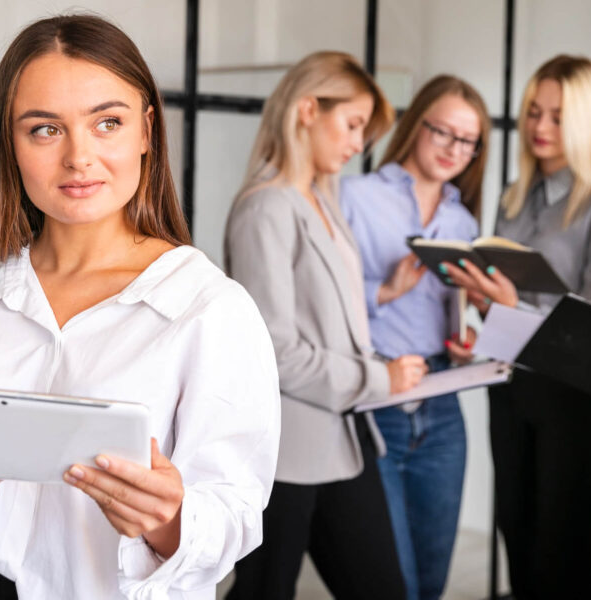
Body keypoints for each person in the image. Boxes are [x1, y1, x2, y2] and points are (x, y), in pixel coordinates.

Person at [0, 15, 281, 600]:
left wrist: (167, 518)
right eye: (44, 129)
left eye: (106, 123)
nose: (78, 157)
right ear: (8, 143)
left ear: (145, 131)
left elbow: (237, 518)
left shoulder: (210, 309)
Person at [223, 51, 424, 600]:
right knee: (266, 591)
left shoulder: (322, 201)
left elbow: (328, 323)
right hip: (289, 452)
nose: (359, 143)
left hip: (344, 434)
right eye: (353, 124)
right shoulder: (268, 208)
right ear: (308, 109)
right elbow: (277, 351)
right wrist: (382, 379)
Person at [444, 54, 591, 598]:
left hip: (568, 393)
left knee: (562, 546)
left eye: (556, 115)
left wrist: (508, 306)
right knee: (516, 530)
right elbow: (504, 301)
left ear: (586, 121)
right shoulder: (514, 194)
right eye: (533, 112)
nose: (540, 127)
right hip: (510, 384)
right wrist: (481, 306)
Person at [339, 74, 491, 600]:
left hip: (443, 401)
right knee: (389, 580)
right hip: (377, 392)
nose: (454, 149)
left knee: (431, 576)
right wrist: (386, 289)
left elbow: (455, 311)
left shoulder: (464, 222)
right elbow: (318, 301)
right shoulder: (354, 197)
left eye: (468, 141)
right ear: (415, 124)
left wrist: (463, 338)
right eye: (443, 132)